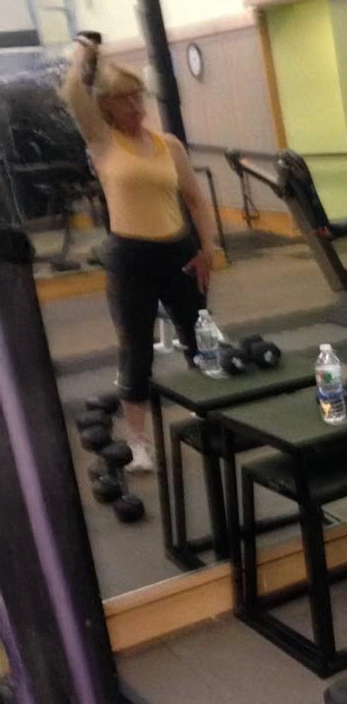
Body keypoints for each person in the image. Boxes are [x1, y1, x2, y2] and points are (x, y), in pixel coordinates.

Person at [62, 36, 216, 473]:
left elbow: (197, 200)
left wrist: (208, 248)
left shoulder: (170, 145)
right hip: (130, 258)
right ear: (106, 105)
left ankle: (209, 419)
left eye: (138, 96)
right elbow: (74, 93)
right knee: (135, 350)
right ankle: (138, 443)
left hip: (180, 253)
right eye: (124, 99)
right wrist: (83, 53)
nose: (135, 106)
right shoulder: (102, 141)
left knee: (199, 340)